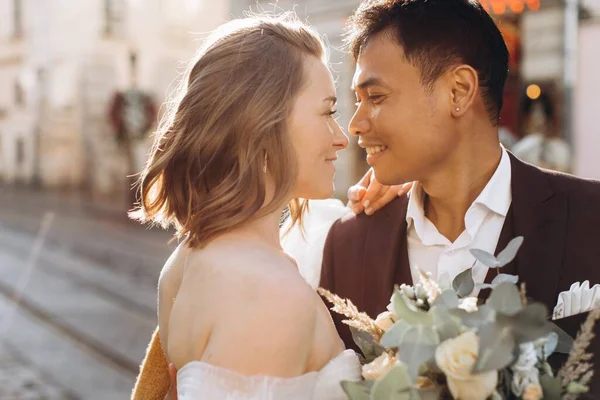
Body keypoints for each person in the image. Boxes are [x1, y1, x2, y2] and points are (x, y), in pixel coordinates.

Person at [320, 0, 599, 395]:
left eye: (376, 97)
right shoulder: (348, 246)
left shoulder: (591, 217)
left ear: (459, 91)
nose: (356, 123)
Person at [130, 15, 361, 400]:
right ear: (263, 125)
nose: (341, 138)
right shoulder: (266, 293)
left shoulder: (192, 257)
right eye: (327, 112)